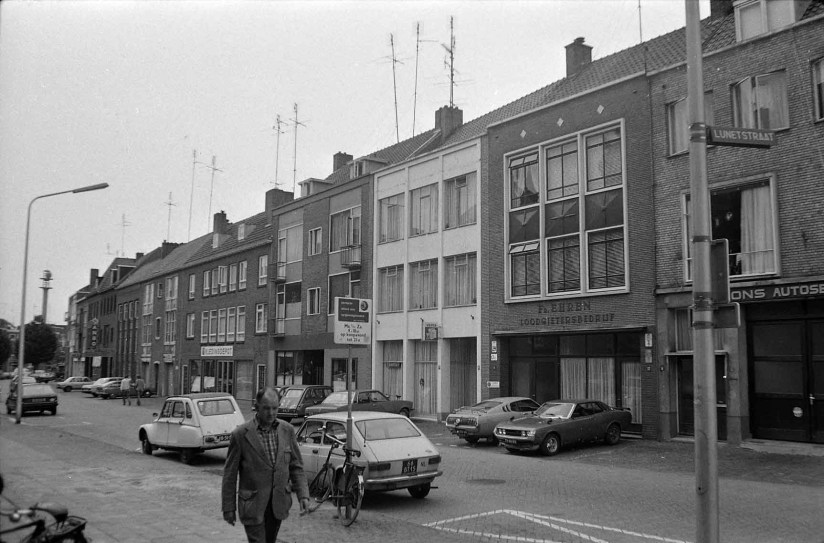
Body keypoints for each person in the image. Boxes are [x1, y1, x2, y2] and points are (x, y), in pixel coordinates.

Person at [222, 387, 310, 543]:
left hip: (278, 503)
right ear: (257, 407)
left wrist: (303, 495)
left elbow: (296, 465)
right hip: (252, 504)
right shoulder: (241, 435)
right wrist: (228, 507)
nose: (271, 413)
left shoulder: (287, 430)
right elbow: (230, 474)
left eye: (275, 408)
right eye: (266, 408)